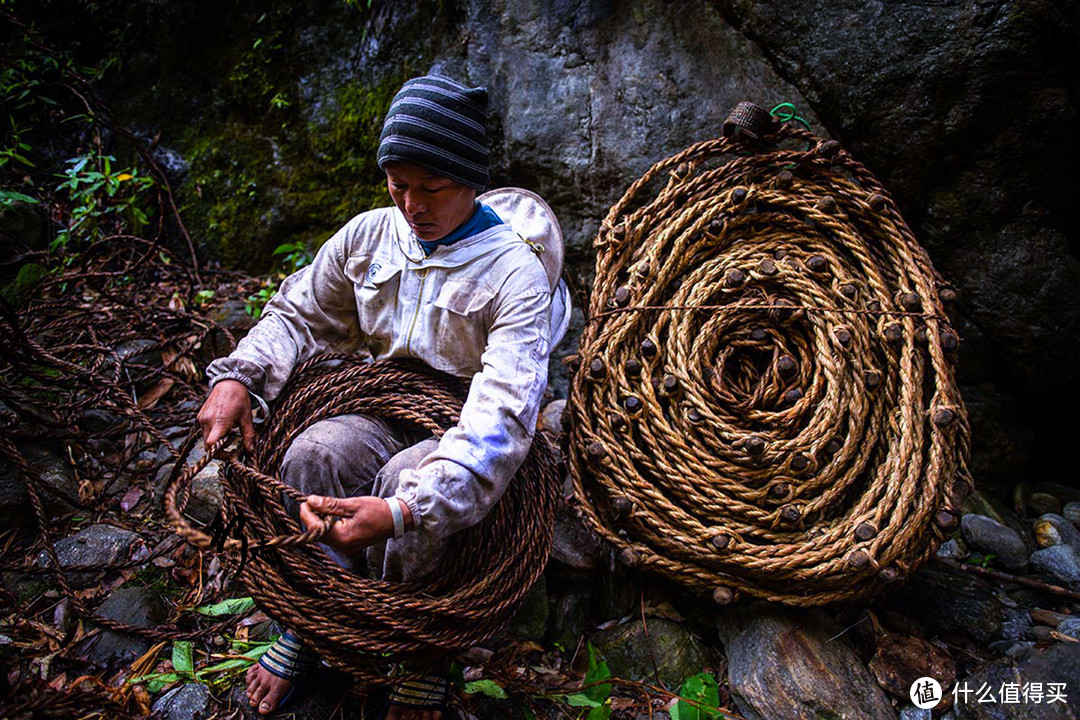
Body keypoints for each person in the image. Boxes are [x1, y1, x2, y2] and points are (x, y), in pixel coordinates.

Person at [196, 75, 561, 718]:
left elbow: (500, 418)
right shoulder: (370, 236)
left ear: (471, 181)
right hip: (386, 403)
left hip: (457, 426)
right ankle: (319, 621)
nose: (412, 204)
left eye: (433, 188)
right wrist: (238, 376)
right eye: (399, 185)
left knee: (407, 483)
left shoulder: (515, 275)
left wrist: (401, 513)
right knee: (315, 454)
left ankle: (418, 646)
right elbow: (301, 312)